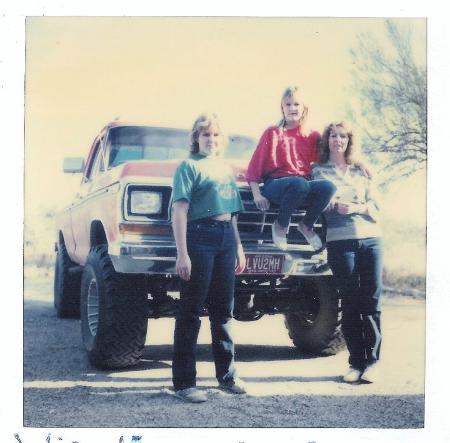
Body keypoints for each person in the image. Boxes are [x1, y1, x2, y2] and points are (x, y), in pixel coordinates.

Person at [171, 113, 247, 403]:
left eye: (216, 135)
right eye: (205, 135)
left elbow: (233, 214)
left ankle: (227, 376)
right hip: (199, 237)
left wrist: (238, 247)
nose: (211, 140)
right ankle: (184, 384)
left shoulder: (225, 168)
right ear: (196, 138)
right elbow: (179, 211)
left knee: (223, 311)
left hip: (226, 237)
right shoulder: (188, 167)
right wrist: (183, 253)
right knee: (191, 311)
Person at [312, 121, 383, 383]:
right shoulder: (317, 171)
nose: (338, 140)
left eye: (343, 136)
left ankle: (373, 362)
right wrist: (329, 206)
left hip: (372, 239)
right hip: (341, 242)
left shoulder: (362, 170)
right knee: (350, 302)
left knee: (372, 300)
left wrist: (356, 208)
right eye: (333, 135)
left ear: (349, 141)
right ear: (326, 140)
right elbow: (316, 204)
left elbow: (376, 207)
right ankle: (356, 363)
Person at [245, 86, 337, 251]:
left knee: (328, 187)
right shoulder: (272, 133)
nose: (292, 108)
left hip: (302, 186)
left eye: (296, 104)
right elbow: (254, 167)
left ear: (304, 108)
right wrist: (257, 194)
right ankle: (280, 225)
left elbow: (335, 156)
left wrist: (359, 163)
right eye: (288, 104)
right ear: (282, 107)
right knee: (299, 184)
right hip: (275, 186)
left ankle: (306, 225)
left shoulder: (313, 135)